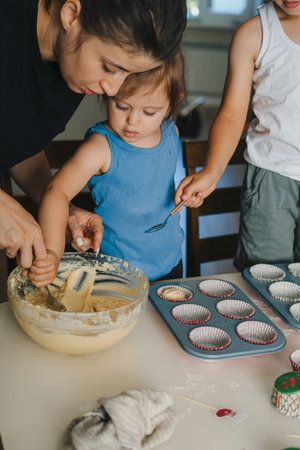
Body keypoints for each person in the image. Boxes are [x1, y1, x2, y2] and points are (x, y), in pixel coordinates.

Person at [0, 0, 187, 272]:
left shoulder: (71, 64)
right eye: (110, 67)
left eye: (128, 73)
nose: (113, 89)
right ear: (71, 14)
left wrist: (66, 208)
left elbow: (16, 139)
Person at [28, 49, 198, 286]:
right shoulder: (101, 147)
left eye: (149, 112)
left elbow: (155, 187)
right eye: (121, 106)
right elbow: (56, 191)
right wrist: (53, 253)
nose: (133, 121)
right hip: (117, 274)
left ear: (171, 105)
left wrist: (189, 194)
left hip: (171, 265)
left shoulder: (172, 133)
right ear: (108, 93)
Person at [175, 0, 300, 271]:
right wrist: (212, 170)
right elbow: (232, 115)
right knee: (265, 279)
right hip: (270, 176)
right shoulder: (253, 34)